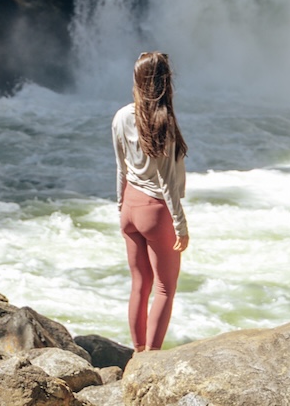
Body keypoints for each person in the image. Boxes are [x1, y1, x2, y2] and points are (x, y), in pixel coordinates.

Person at [112, 50, 188, 353]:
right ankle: (152, 358)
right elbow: (168, 183)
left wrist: (121, 205)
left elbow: (120, 167)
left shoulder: (121, 116)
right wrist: (181, 225)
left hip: (130, 207)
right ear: (164, 82)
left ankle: (138, 351)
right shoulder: (163, 122)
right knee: (165, 289)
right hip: (155, 211)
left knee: (139, 285)